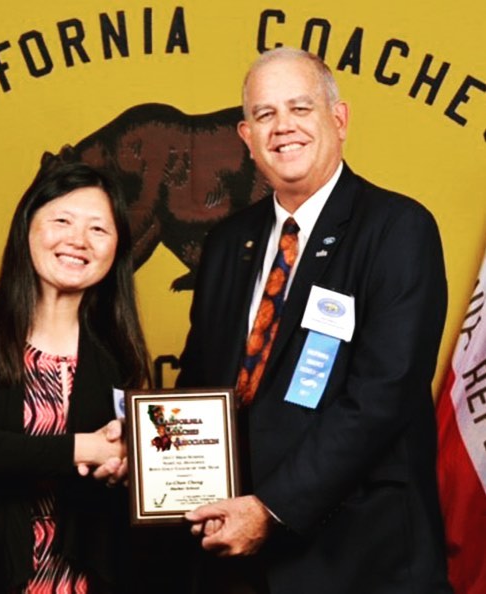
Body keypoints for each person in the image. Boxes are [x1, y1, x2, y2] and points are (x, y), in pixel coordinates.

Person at [177, 48, 453, 593]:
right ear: (246, 136)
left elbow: (382, 396)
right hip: (241, 562)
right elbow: (200, 384)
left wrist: (272, 509)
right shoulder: (228, 243)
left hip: (364, 561)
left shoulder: (399, 229)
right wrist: (144, 450)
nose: (283, 128)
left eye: (300, 108)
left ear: (339, 119)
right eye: (264, 115)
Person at [0, 151, 151, 593]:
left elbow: (115, 460)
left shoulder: (115, 352)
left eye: (98, 229)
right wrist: (85, 448)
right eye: (62, 221)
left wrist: (123, 465)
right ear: (28, 226)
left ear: (117, 248)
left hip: (75, 577)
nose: (79, 240)